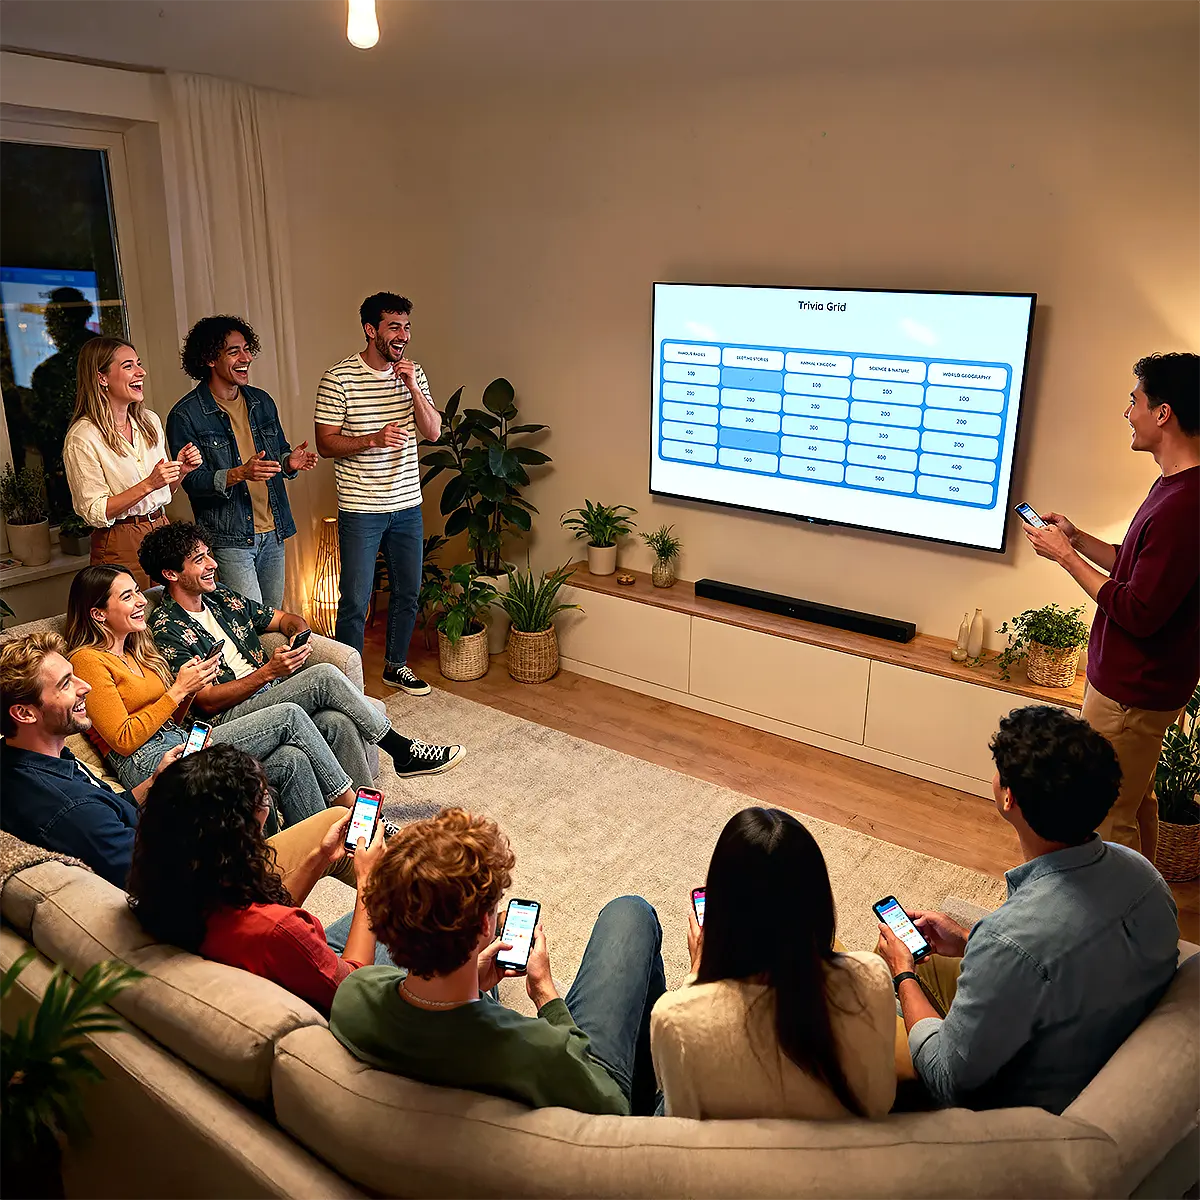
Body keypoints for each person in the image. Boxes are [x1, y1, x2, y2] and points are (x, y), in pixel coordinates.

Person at [877, 705, 1179, 1114]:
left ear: (1008, 797)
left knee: (867, 988)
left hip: (1010, 1106)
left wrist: (902, 973)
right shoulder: (1146, 879)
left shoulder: (1010, 941)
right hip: (1091, 1047)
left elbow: (949, 1079)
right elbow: (1061, 969)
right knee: (917, 964)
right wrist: (969, 941)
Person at [330, 808, 666, 1116]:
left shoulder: (353, 994)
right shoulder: (531, 1046)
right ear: (485, 926)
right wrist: (545, 994)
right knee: (630, 913)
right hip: (599, 1096)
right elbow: (610, 1106)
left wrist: (473, 983)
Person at [1024, 353, 1200, 860]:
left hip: (1130, 694)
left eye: (1134, 400)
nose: (1128, 412)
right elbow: (1135, 566)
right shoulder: (1175, 487)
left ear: (1162, 413)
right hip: (1133, 688)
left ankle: (1117, 929)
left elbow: (1139, 609)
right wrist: (1076, 540)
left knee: (1106, 819)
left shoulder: (1185, 506)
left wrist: (1063, 559)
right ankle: (1148, 909)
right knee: (1136, 802)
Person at [138, 522, 464, 784]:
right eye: (199, 560)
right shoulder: (167, 627)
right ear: (171, 574)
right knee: (322, 676)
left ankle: (367, 823)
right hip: (226, 717)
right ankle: (402, 750)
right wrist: (269, 672)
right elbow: (205, 700)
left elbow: (282, 618)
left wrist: (299, 634)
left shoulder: (219, 596)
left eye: (209, 554)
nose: (212, 564)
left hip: (267, 693)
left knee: (338, 722)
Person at [64, 567, 361, 829]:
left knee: (291, 759)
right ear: (98, 613)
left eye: (138, 592)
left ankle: (319, 851)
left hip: (181, 739)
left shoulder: (135, 648)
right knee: (290, 716)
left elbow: (166, 717)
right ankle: (357, 816)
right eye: (127, 597)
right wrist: (178, 690)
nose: (142, 601)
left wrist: (191, 688)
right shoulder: (87, 660)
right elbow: (123, 739)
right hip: (151, 763)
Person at [651, 808, 895, 1120]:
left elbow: (682, 1122)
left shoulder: (675, 1018)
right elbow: (882, 1100)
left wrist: (698, 973)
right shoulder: (872, 975)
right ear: (817, 904)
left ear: (722, 915)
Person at [127, 745, 391, 1015]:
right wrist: (367, 886)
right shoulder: (281, 932)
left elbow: (267, 921)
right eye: (264, 800)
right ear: (241, 828)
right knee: (411, 916)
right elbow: (354, 988)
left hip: (285, 967)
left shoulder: (177, 889)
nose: (267, 807)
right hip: (337, 998)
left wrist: (320, 857)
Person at [314, 293, 441, 695]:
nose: (402, 335)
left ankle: (395, 666)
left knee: (408, 590)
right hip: (361, 508)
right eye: (393, 327)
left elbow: (433, 431)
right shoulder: (339, 378)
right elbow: (325, 444)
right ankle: (348, 683)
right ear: (371, 330)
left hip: (407, 506)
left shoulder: (413, 373)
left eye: (406, 326)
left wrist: (412, 387)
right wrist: (373, 439)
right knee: (354, 599)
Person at [0, 630, 184, 886]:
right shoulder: (71, 809)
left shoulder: (34, 756)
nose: (85, 686)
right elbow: (164, 880)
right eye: (66, 683)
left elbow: (109, 808)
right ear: (24, 713)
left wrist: (156, 781)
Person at [166, 316, 319, 609]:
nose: (246, 358)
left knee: (271, 617)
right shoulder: (185, 416)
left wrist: (289, 463)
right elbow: (191, 482)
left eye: (247, 349)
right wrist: (239, 473)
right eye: (234, 351)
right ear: (210, 358)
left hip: (274, 530)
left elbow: (279, 454)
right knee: (247, 623)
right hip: (230, 539)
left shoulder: (262, 402)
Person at [62, 337, 202, 589]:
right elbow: (95, 512)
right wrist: (149, 483)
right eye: (128, 366)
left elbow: (162, 492)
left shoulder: (149, 421)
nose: (141, 372)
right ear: (101, 378)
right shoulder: (82, 437)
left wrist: (180, 472)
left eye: (138, 363)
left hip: (162, 528)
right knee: (132, 621)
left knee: (168, 615)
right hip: (118, 540)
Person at [29, 286, 97, 522]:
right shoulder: (48, 370)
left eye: (51, 319)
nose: (49, 327)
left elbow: (44, 427)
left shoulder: (98, 357)